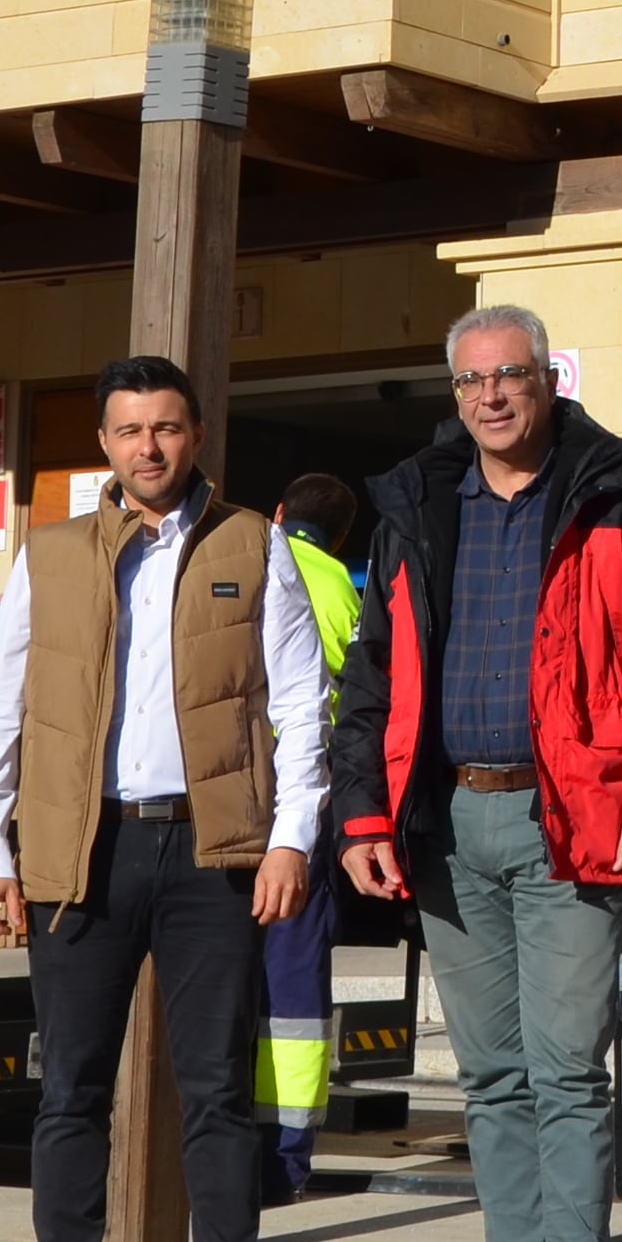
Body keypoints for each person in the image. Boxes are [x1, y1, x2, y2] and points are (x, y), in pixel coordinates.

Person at [333, 306, 622, 1242]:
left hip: (575, 823)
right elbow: (371, 675)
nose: (491, 396)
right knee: (490, 1078)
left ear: (548, 382)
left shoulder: (619, 494)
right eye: (470, 381)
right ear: (453, 394)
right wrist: (363, 818)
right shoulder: (414, 506)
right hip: (446, 825)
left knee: (565, 1072)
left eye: (511, 376)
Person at [0, 356, 328, 1242]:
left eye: (166, 428)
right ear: (106, 445)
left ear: (196, 435)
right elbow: (3, 707)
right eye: (130, 431)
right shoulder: (52, 555)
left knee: (215, 1089)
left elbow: (300, 704)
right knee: (70, 1090)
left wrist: (291, 838)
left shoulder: (255, 546)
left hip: (211, 852)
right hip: (81, 854)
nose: (149, 448)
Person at [256, 470, 370, 1201]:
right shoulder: (342, 590)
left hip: (225, 798)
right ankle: (285, 1156)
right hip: (305, 809)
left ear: (276, 512)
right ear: (341, 538)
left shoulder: (240, 561)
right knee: (293, 980)